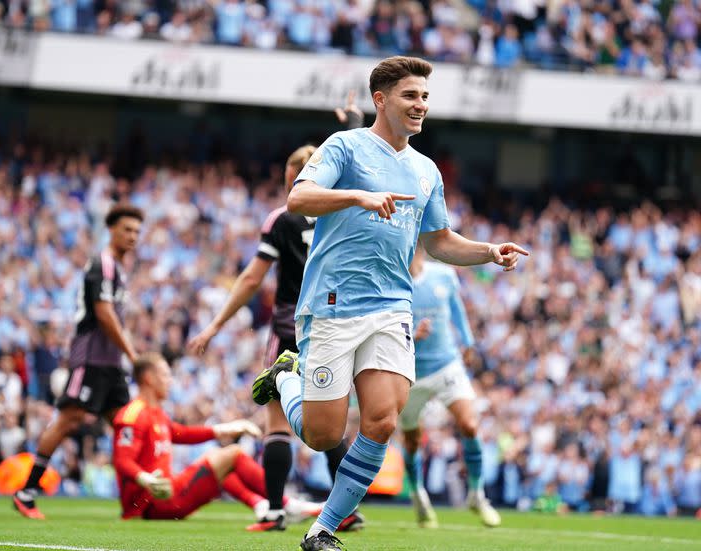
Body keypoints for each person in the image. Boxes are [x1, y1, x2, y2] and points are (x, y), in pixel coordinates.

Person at [251, 56, 528, 551]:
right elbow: (299, 199)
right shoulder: (346, 146)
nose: (420, 104)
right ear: (381, 100)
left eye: (424, 96)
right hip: (334, 304)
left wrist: (488, 251)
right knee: (322, 434)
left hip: (391, 308)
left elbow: (439, 240)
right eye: (410, 95)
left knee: (382, 420)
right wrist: (357, 196)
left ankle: (322, 532)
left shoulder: (425, 171)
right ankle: (286, 377)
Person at [188, 93, 365, 532]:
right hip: (338, 323)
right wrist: (355, 123)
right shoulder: (341, 211)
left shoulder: (283, 216)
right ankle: (345, 511)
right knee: (329, 420)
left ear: (296, 176)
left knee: (278, 420)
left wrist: (213, 325)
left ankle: (272, 508)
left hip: (292, 323)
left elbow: (251, 279)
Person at [13, 203, 144, 519]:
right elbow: (103, 313)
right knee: (68, 420)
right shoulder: (103, 265)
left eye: (137, 232)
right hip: (91, 360)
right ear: (111, 230)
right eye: (127, 230)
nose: (133, 237)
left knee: (126, 427)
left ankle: (136, 502)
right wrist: (133, 354)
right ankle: (26, 492)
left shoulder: (119, 269)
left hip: (111, 365)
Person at [113, 352, 318, 522]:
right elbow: (122, 460)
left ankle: (260, 505)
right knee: (233, 454)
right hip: (152, 502)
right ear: (148, 378)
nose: (169, 381)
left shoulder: (155, 412)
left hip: (162, 496)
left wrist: (226, 428)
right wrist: (145, 479)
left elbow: (180, 433)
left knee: (222, 466)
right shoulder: (133, 415)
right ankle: (285, 503)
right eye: (165, 375)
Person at [400, 245, 500, 528]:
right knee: (412, 439)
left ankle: (477, 495)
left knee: (469, 424)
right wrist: (412, 336)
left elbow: (456, 308)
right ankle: (419, 494)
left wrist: (467, 341)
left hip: (446, 364)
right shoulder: (394, 283)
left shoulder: (443, 275)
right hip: (412, 372)